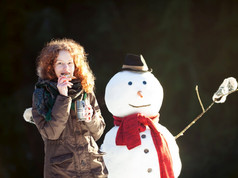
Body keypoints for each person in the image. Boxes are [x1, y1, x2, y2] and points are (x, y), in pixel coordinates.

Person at [30, 38, 108, 178]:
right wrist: (63, 97)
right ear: (50, 67)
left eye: (69, 63)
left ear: (76, 66)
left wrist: (91, 118)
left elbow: (98, 133)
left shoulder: (85, 91)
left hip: (93, 170)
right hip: (62, 172)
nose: (66, 69)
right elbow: (52, 133)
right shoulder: (41, 95)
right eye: (60, 63)